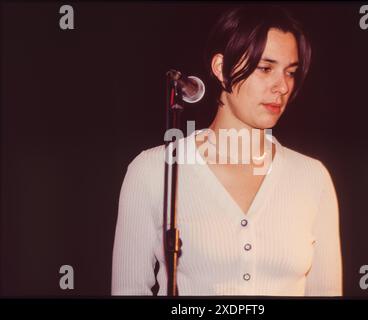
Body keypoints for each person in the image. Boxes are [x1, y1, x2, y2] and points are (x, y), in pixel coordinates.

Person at [111, 5, 343, 296]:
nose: (282, 86)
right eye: (265, 68)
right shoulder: (154, 170)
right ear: (221, 69)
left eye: (290, 72)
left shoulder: (312, 177)